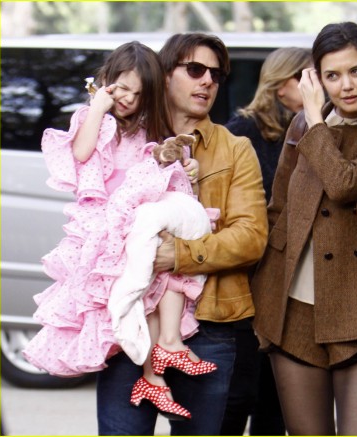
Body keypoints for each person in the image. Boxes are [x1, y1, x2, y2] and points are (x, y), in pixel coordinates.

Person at [22, 41, 218, 420]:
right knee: (135, 293)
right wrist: (98, 106)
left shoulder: (150, 128)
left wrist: (186, 167)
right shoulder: (94, 119)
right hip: (106, 225)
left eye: (138, 93)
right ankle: (153, 375)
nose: (128, 98)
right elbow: (80, 154)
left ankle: (158, 367)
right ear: (106, 80)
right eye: (121, 87)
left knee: (159, 285)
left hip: (140, 217)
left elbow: (165, 167)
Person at [251, 22, 357, 436]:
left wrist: (313, 117)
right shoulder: (301, 128)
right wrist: (265, 288)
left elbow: (344, 184)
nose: (346, 85)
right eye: (332, 75)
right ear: (317, 78)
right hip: (293, 312)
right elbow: (279, 210)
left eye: (356, 71)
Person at [96, 33, 268, 436]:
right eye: (195, 69)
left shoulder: (234, 148)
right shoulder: (125, 138)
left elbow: (251, 236)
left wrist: (180, 255)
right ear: (164, 73)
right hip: (132, 320)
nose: (207, 80)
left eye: (216, 74)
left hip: (208, 325)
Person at [221, 46, 312, 436]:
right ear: (280, 85)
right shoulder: (240, 132)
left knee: (278, 401)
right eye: (308, 77)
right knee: (239, 395)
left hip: (290, 286)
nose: (320, 85)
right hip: (246, 282)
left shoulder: (315, 128)